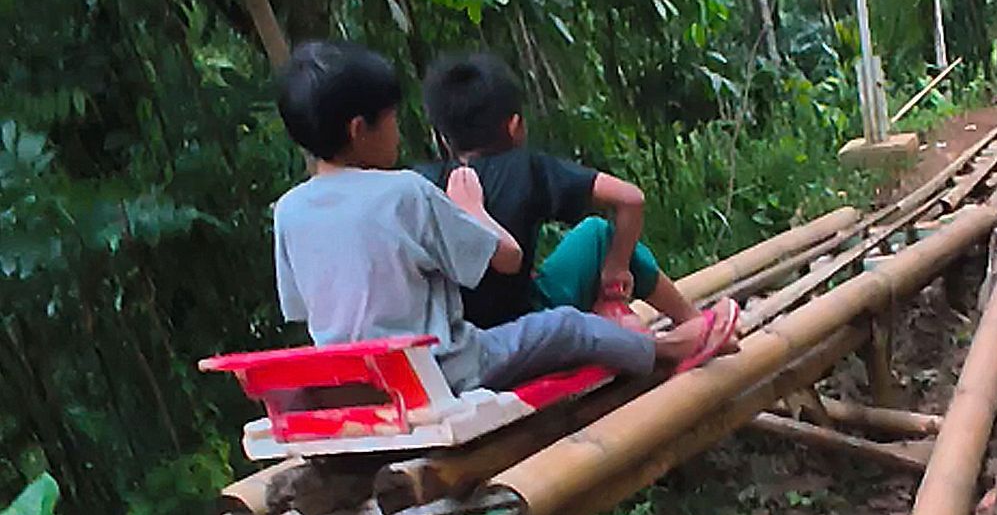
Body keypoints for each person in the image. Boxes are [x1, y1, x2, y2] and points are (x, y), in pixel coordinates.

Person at [271, 41, 738, 395]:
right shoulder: (404, 192)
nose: (397, 130)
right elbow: (508, 258)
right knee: (567, 326)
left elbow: (302, 309)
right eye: (391, 118)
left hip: (358, 382)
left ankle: (677, 334)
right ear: (360, 130)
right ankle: (668, 347)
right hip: (444, 369)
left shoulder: (290, 210)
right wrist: (473, 211)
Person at [416, 52, 704, 335]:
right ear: (515, 126)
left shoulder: (421, 183)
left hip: (456, 338)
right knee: (597, 233)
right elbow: (631, 199)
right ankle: (693, 320)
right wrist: (616, 269)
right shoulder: (528, 168)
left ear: (444, 139)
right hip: (527, 325)